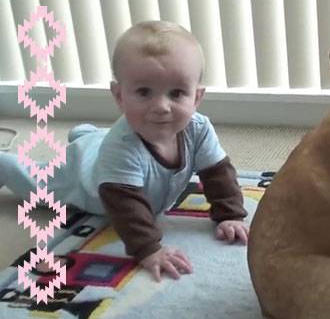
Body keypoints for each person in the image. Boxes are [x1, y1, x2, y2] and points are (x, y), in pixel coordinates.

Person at [0, 20, 248, 282]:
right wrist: (148, 249)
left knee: (106, 137)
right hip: (84, 177)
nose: (162, 106)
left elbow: (218, 172)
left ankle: (84, 134)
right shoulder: (120, 149)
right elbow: (125, 205)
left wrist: (230, 215)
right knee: (39, 180)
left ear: (196, 98)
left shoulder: (198, 129)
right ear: (119, 96)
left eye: (176, 93)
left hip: (107, 145)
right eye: (144, 92)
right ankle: (7, 163)